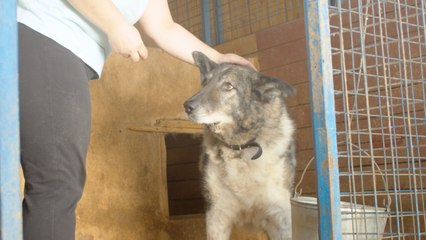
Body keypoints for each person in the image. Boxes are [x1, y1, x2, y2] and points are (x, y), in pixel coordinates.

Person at [17, 0, 253, 239]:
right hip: (43, 35)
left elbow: (164, 28)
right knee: (57, 182)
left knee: (56, 181)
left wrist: (217, 58)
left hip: (53, 49)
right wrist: (116, 24)